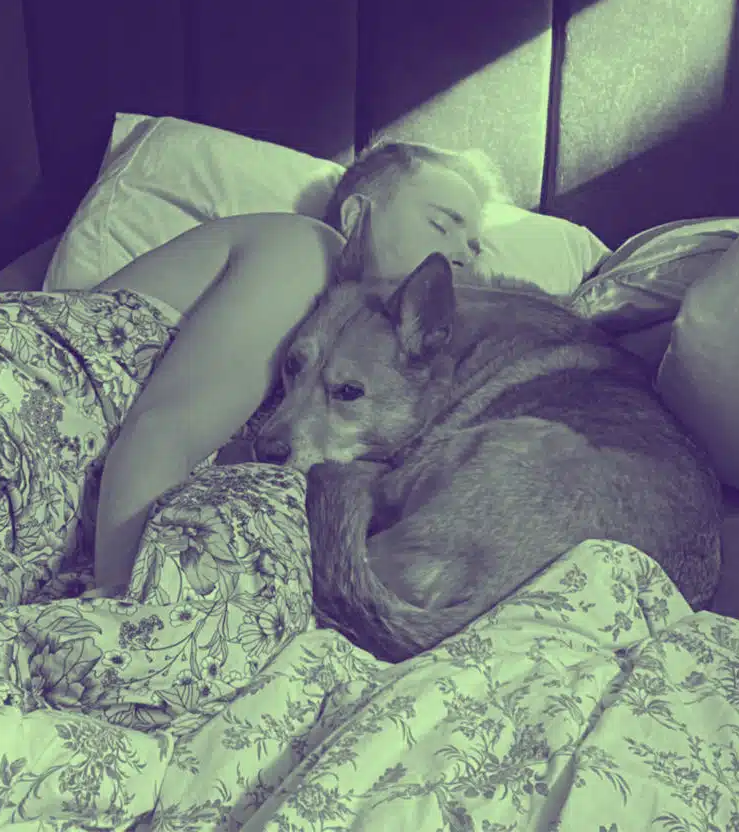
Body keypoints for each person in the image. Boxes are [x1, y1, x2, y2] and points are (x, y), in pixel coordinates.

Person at [91, 140, 506, 590]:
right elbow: (160, 429)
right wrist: (125, 607)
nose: (461, 254)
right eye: (441, 224)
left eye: (474, 247)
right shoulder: (309, 249)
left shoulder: (360, 343)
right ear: (356, 218)